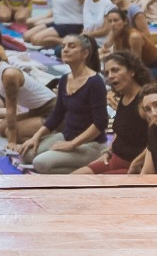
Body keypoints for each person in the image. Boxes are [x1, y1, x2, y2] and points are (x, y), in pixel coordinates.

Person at [19, 35, 108, 174]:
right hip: (67, 135)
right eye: (64, 46)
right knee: (27, 154)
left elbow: (100, 123)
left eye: (71, 46)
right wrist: (35, 136)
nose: (65, 50)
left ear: (85, 53)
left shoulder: (95, 82)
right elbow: (57, 114)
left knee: (40, 163)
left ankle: (90, 167)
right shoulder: (65, 79)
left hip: (91, 144)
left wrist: (72, 144)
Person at [0, 43, 56, 151]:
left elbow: (11, 109)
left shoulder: (9, 75)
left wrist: (12, 142)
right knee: (0, 128)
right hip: (36, 111)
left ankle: (56, 135)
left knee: (11, 132)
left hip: (53, 112)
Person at [75, 50, 148, 175]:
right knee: (74, 178)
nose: (110, 76)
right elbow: (119, 133)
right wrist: (108, 151)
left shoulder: (145, 101)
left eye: (115, 70)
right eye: (107, 73)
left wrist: (137, 163)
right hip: (115, 159)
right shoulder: (123, 98)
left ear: (132, 71)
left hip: (135, 166)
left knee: (90, 185)